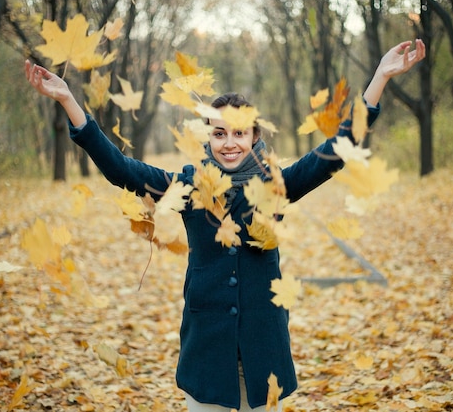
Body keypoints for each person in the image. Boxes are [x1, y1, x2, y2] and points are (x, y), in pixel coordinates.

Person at [25, 39, 425, 412]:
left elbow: (337, 149)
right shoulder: (188, 184)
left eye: (239, 133)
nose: (229, 142)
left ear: (254, 136)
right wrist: (67, 100)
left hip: (263, 348)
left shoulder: (276, 185)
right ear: (208, 138)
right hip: (207, 352)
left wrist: (380, 78)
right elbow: (120, 169)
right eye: (219, 133)